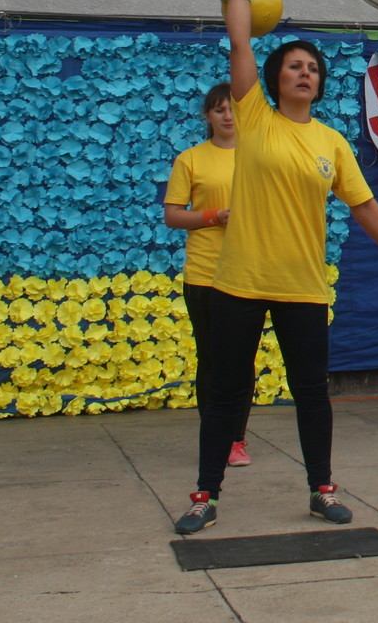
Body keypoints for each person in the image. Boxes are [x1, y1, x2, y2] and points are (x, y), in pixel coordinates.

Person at [174, 0, 378, 536]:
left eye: (312, 67)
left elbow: (363, 205)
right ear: (276, 79)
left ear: (319, 82)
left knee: (312, 392)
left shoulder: (332, 143)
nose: (304, 72)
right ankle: (205, 495)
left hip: (303, 286)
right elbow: (239, 47)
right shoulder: (253, 115)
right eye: (293, 66)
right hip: (238, 281)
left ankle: (322, 489)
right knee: (226, 392)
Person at [163, 83, 253, 468]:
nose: (228, 116)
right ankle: (215, 439)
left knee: (243, 359)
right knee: (213, 359)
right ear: (208, 116)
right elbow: (173, 215)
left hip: (250, 271)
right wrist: (213, 217)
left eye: (233, 109)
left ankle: (237, 440)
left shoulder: (259, 157)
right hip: (204, 272)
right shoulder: (190, 160)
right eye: (219, 110)